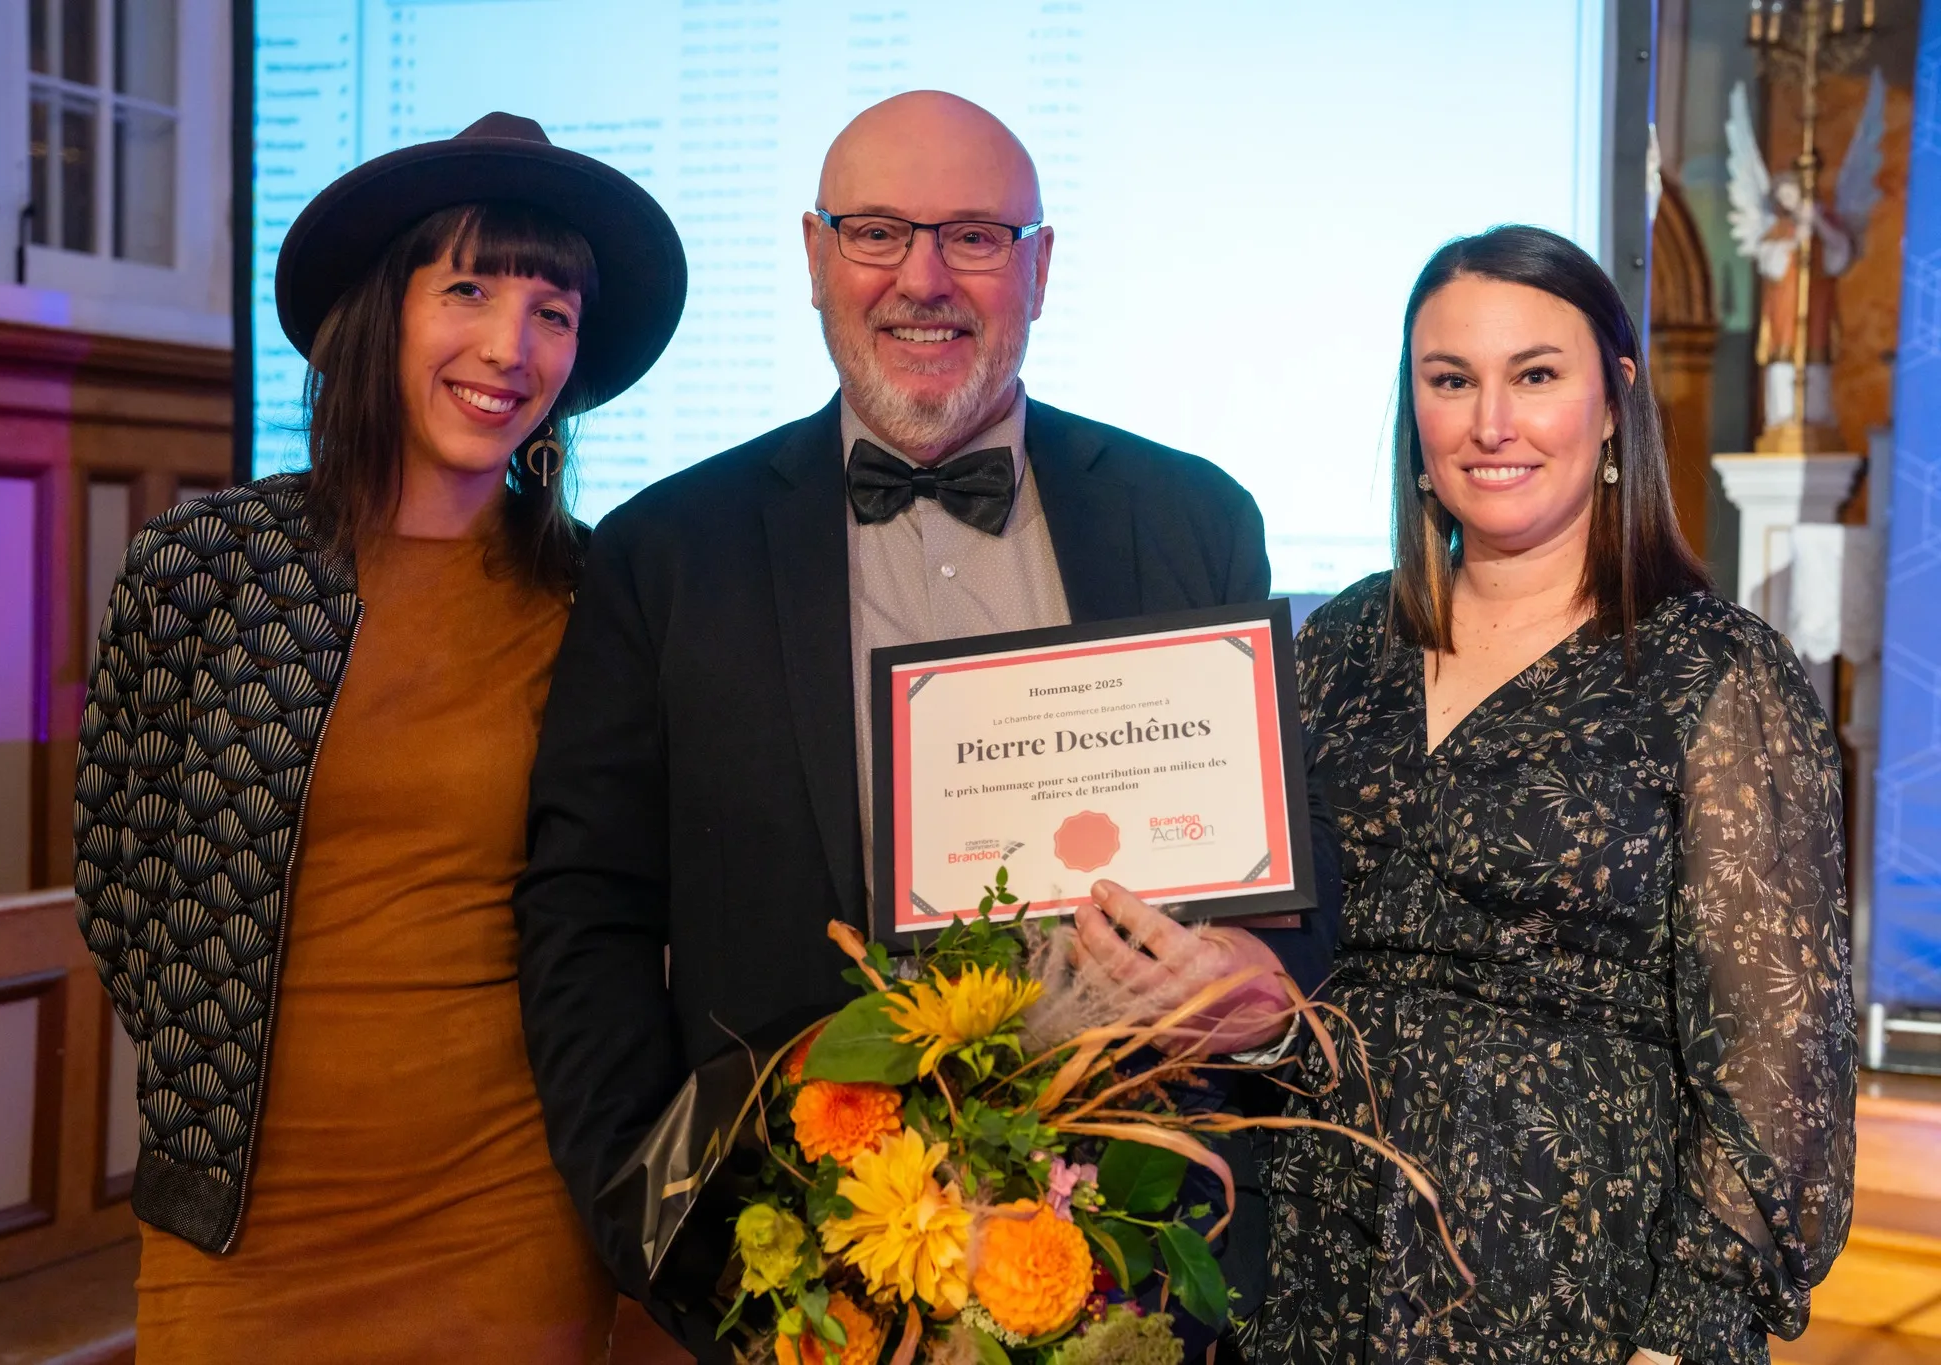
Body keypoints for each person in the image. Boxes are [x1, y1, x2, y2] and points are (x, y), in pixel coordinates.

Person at [514, 90, 1340, 1361]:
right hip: (799, 1283)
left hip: (1141, 1275)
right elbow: (587, 914)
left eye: (973, 237)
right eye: (877, 233)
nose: (923, 280)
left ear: (1039, 268)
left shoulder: (1190, 517)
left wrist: (1266, 995)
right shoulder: (668, 555)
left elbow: (1278, 881)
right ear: (810, 257)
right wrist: (662, 1225)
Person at [71, 113, 686, 1362]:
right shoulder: (205, 568)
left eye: (553, 310)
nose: (510, 348)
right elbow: (118, 876)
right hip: (240, 1220)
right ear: (380, 311)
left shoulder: (597, 598)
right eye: (466, 287)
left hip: (508, 1207)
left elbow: (630, 899)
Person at [1255, 225, 1856, 1365]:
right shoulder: (1332, 648)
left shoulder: (1711, 673)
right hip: (1311, 1262)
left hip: (1581, 1289)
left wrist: (1685, 1331)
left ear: (1613, 397)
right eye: (1450, 381)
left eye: (1534, 375)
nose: (1491, 422)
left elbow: (1780, 1072)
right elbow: (1271, 972)